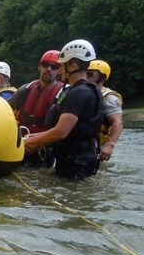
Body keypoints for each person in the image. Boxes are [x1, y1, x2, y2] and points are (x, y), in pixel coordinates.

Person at [24, 39, 103, 181]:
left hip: (75, 161)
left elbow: (61, 132)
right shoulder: (86, 90)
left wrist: (27, 142)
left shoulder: (79, 93)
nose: (60, 70)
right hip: (76, 157)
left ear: (72, 66)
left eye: (61, 65)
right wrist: (31, 138)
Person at [8, 50, 65, 167]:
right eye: (45, 65)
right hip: (20, 142)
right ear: (39, 66)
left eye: (54, 67)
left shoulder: (63, 94)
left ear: (60, 70)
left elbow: (63, 130)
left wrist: (39, 143)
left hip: (44, 148)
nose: (49, 69)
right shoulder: (25, 89)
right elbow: (5, 110)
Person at [87, 60, 123, 162]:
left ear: (102, 77)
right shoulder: (82, 93)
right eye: (85, 73)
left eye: (90, 74)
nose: (86, 76)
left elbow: (117, 122)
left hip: (98, 145)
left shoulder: (109, 98)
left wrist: (110, 145)